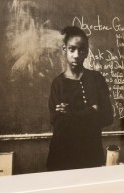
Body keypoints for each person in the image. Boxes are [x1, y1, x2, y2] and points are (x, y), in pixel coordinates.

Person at [46, 26, 114, 171]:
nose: (76, 55)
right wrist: (91, 111)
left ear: (87, 52)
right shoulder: (58, 83)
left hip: (90, 155)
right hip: (62, 156)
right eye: (72, 49)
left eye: (81, 50)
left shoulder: (97, 79)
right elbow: (58, 122)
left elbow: (108, 117)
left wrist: (71, 113)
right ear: (64, 50)